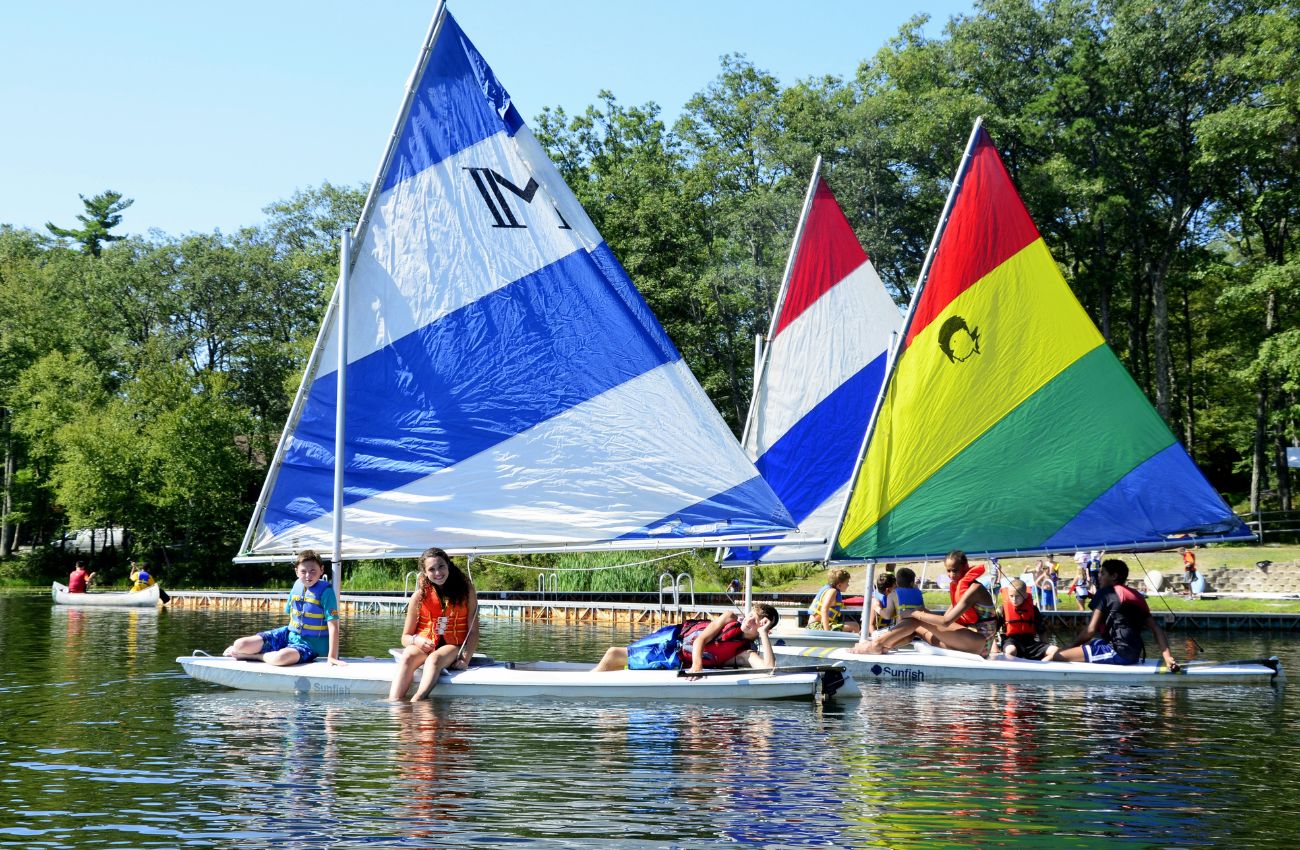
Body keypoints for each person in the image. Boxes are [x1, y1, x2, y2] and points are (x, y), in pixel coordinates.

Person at [852, 550, 997, 657]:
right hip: (968, 642)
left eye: (955, 571)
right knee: (917, 626)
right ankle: (885, 646)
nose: (952, 575)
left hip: (980, 643)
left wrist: (915, 612)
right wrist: (922, 612)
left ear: (965, 567)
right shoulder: (959, 588)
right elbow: (943, 619)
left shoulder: (974, 589)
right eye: (948, 571)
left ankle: (875, 644)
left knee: (916, 618)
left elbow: (946, 621)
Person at [1044, 558, 1179, 670]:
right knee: (1091, 643)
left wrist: (1069, 648)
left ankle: (1043, 667)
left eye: (1103, 573)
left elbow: (1090, 630)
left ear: (1114, 576)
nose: (1099, 576)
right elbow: (1156, 629)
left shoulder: (1106, 593)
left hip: (1118, 653)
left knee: (1058, 656)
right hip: (1134, 652)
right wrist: (1167, 658)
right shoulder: (1136, 595)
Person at [223, 550, 344, 668]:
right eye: (303, 571)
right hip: (288, 634)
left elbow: (333, 626)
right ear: (296, 571)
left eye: (313, 571)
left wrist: (332, 656)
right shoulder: (297, 586)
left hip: (310, 645)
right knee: (240, 644)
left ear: (321, 570)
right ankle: (251, 652)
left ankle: (257, 657)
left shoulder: (326, 593)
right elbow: (291, 614)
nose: (308, 576)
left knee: (280, 658)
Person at [390, 547, 479, 702]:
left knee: (434, 659)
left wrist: (465, 659)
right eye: (432, 569)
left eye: (441, 566)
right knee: (408, 656)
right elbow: (405, 637)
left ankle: (417, 701)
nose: (438, 573)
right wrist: (416, 640)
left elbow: (473, 630)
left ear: (448, 565)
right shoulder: (418, 597)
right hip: (424, 645)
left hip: (452, 647)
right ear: (425, 572)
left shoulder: (467, 591)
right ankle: (394, 703)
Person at [592, 604, 779, 673]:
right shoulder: (729, 617)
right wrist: (697, 667)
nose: (750, 620)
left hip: (675, 657)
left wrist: (763, 633)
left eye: (757, 622)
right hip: (673, 635)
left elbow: (769, 669)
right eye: (750, 615)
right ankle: (593, 679)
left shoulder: (744, 653)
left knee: (613, 654)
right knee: (617, 655)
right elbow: (700, 640)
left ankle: (589, 682)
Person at [999, 579, 1051, 660]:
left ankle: (1041, 667)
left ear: (1025, 595)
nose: (1014, 599)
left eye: (1017, 596)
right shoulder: (1002, 609)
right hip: (1010, 642)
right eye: (1011, 596)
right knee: (1011, 651)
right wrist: (993, 648)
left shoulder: (1033, 609)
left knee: (1054, 650)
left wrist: (1046, 645)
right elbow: (991, 630)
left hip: (1030, 643)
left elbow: (1042, 631)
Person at [807, 568, 860, 633]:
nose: (848, 585)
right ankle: (855, 643)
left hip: (818, 625)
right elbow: (824, 609)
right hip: (816, 626)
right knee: (855, 626)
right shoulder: (832, 591)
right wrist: (827, 632)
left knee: (852, 624)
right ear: (839, 585)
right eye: (847, 582)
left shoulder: (830, 589)